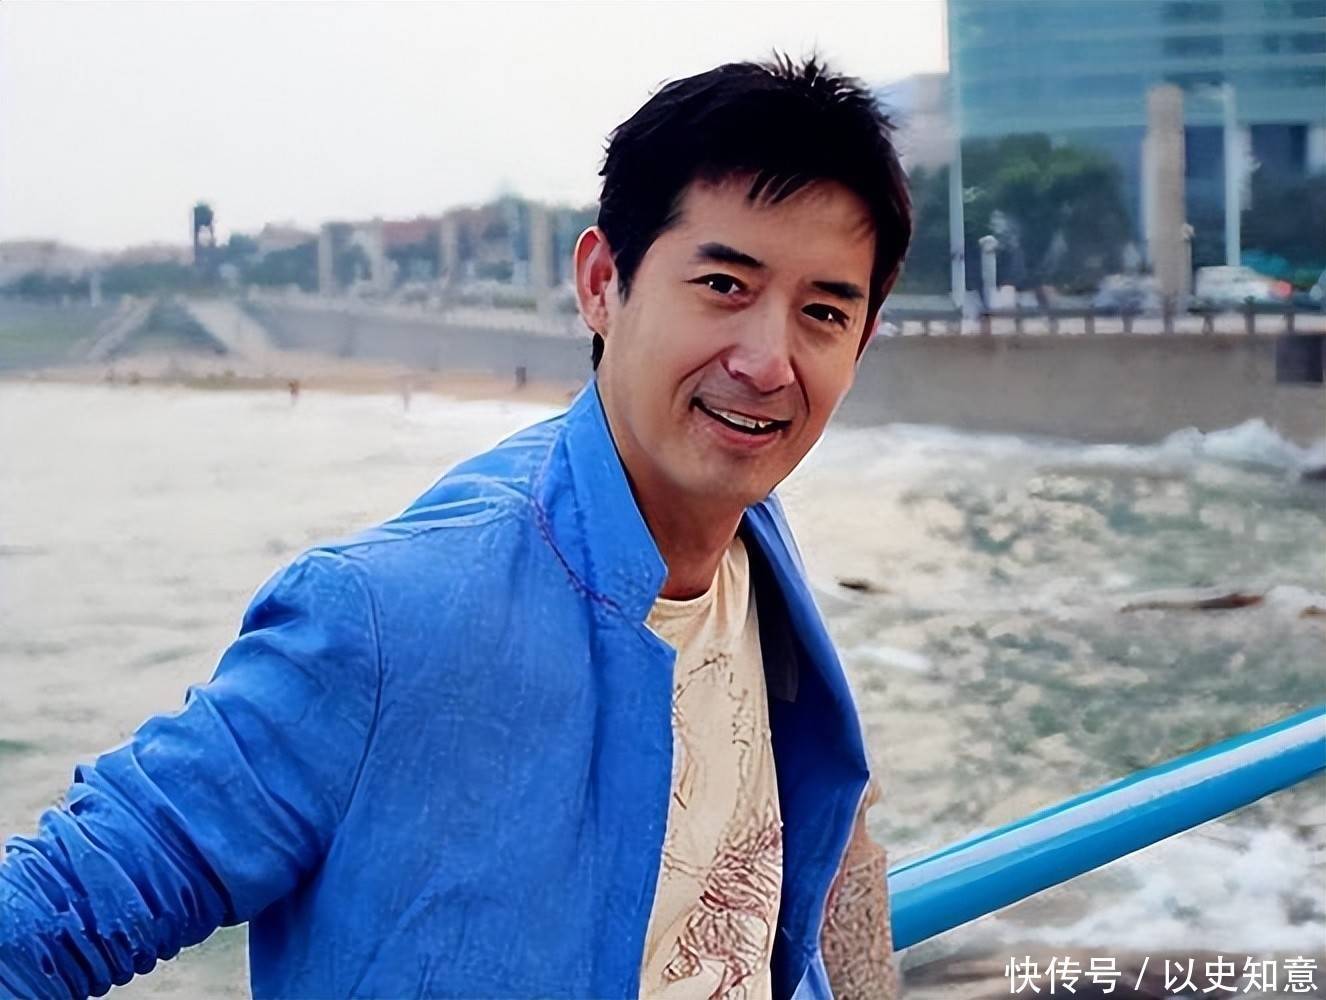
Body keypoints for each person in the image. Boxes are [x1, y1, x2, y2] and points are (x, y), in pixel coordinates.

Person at [0, 54, 911, 1000]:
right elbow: (49, 916)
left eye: (822, 312)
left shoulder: (754, 540)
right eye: (724, 285)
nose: (767, 363)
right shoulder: (393, 614)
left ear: (861, 339)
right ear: (603, 283)